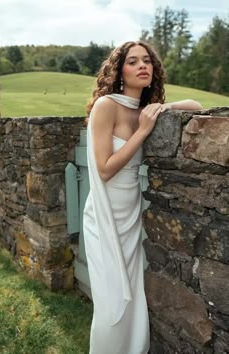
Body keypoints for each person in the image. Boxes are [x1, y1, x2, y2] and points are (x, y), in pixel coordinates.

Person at [83, 40, 202, 354]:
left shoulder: (144, 109)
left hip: (131, 214)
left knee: (133, 293)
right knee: (111, 303)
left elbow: (197, 107)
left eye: (147, 61)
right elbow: (105, 169)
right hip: (105, 216)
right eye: (133, 61)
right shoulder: (107, 105)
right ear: (119, 70)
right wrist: (142, 131)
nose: (142, 66)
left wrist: (165, 108)